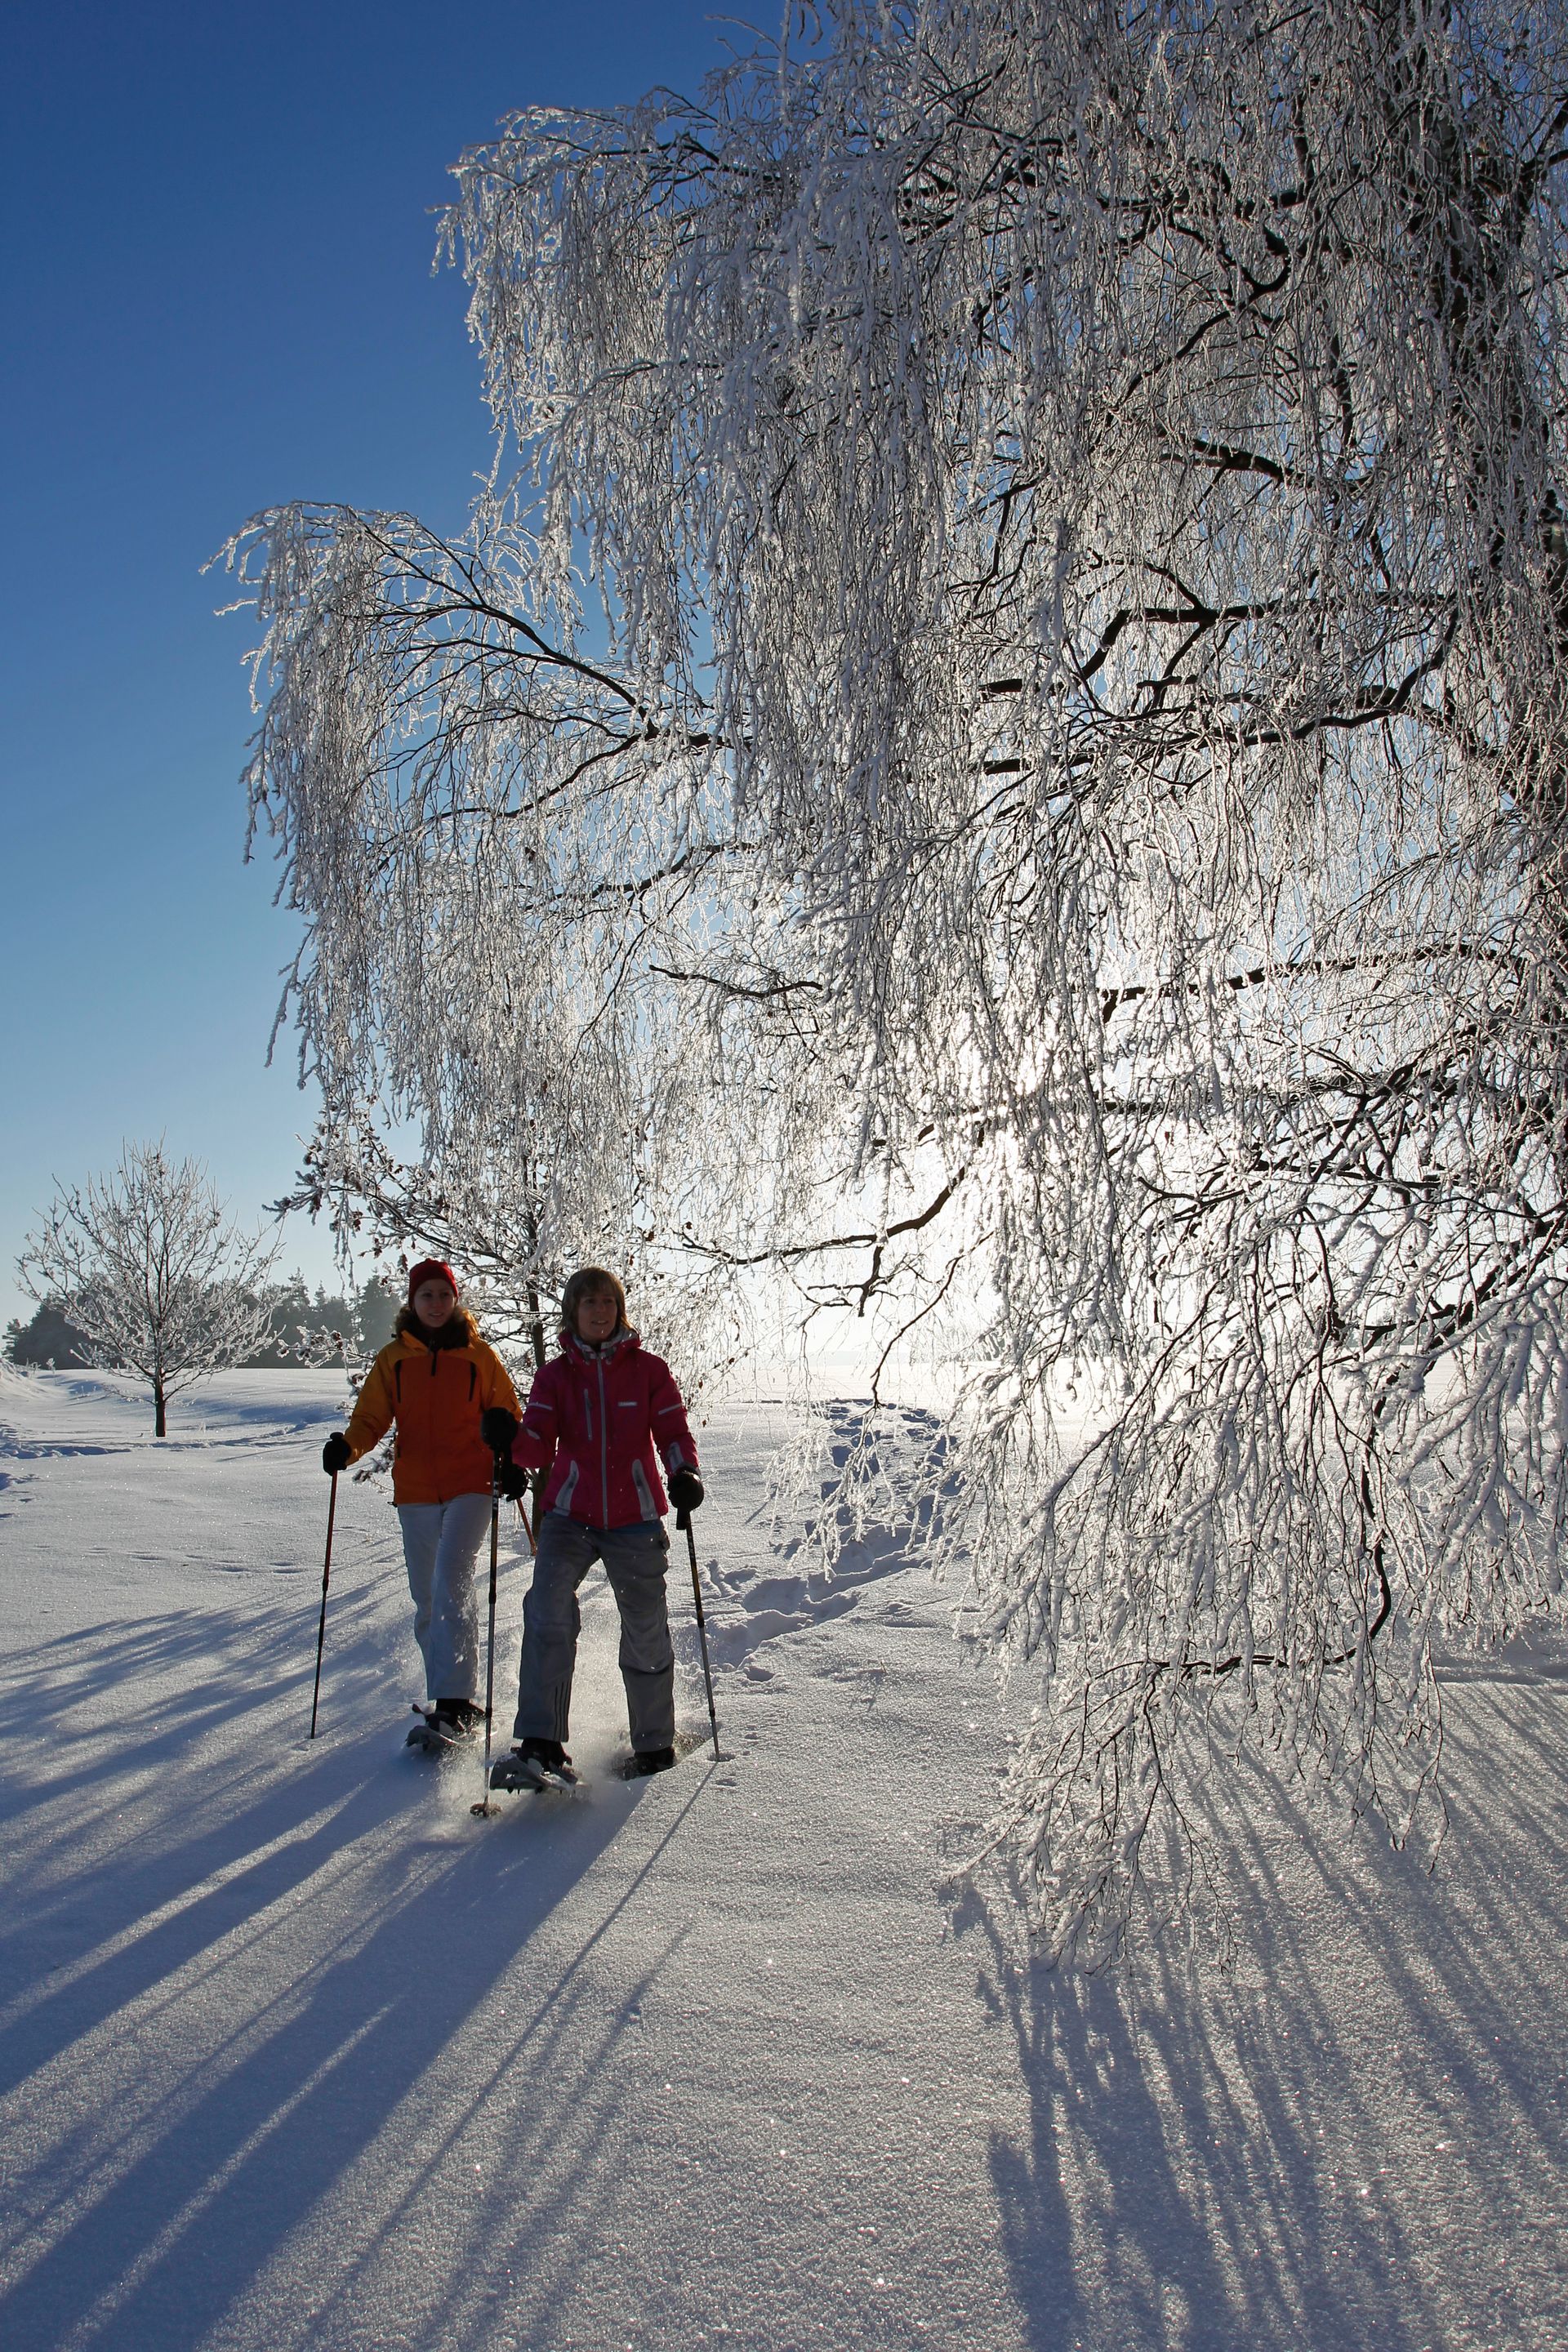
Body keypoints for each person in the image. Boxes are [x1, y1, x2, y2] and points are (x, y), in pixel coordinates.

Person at [482, 1266, 703, 1788]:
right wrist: (510, 1442)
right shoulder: (555, 1376)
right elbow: (538, 1444)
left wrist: (684, 1473)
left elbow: (673, 1431)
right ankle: (541, 1743)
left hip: (635, 1518)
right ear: (572, 1313)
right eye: (589, 1303)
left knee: (645, 1625)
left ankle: (654, 1745)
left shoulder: (649, 1370)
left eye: (608, 1302)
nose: (600, 1311)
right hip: (569, 1515)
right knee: (547, 1606)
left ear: (619, 1311)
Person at [321, 1260, 522, 1744]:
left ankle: (456, 1703)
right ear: (412, 1301)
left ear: (455, 1300)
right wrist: (347, 1448)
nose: (436, 1303)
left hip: (471, 1483)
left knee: (451, 1579)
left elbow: (507, 1413)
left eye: (444, 1295)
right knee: (428, 1597)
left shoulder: (478, 1355)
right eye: (426, 1295)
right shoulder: (394, 1358)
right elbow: (370, 1418)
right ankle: (447, 1698)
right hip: (414, 1490)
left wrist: (511, 1459)